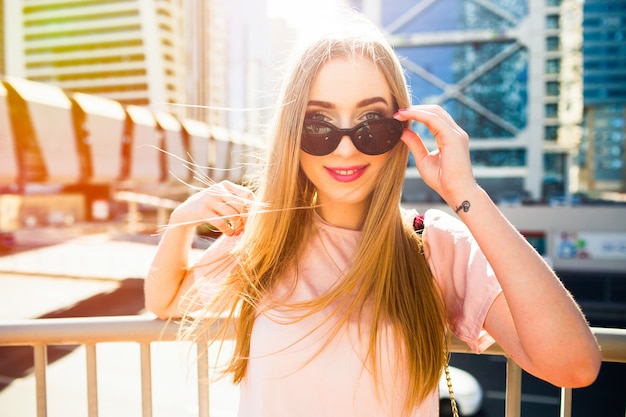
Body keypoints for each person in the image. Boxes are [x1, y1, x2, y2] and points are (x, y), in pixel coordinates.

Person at [144, 11, 601, 417]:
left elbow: (573, 364)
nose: (345, 147)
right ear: (290, 134)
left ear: (400, 132)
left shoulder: (433, 245)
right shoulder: (266, 237)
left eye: (371, 125)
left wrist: (465, 192)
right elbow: (165, 300)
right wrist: (183, 221)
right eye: (318, 125)